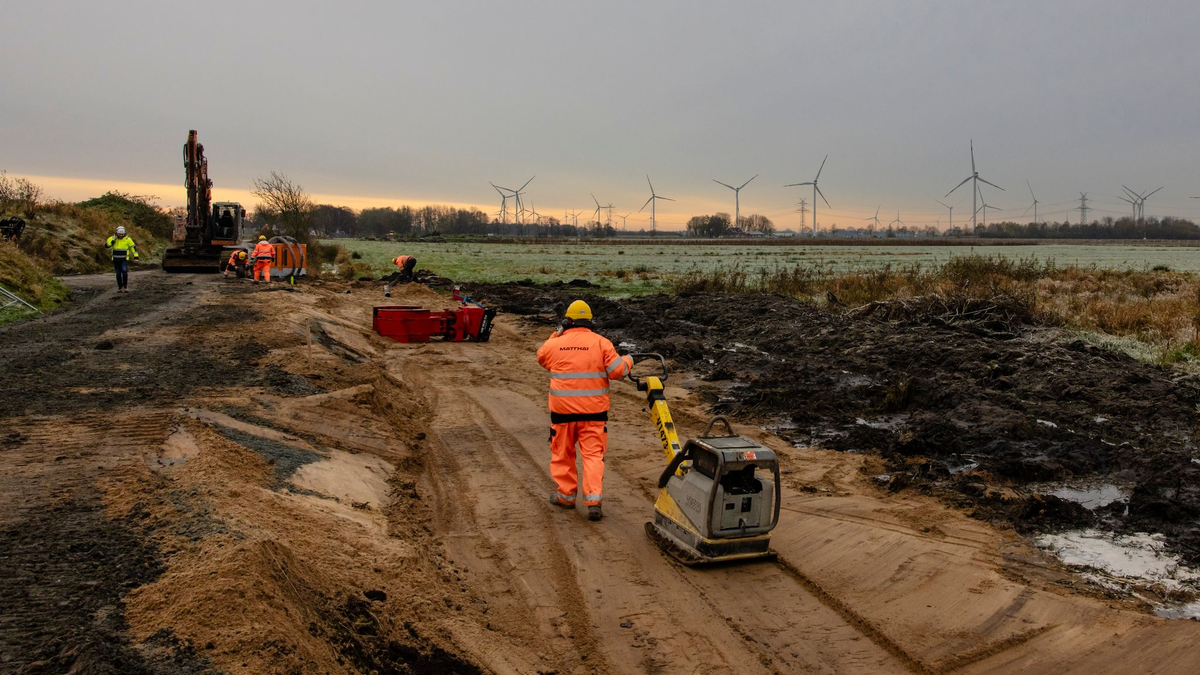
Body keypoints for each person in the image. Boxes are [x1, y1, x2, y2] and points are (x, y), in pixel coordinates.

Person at [536, 300, 632, 521]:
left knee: (562, 455)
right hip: (593, 416)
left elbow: (542, 357)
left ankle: (566, 497)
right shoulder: (601, 343)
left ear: (567, 321)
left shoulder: (555, 345)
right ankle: (593, 502)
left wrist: (556, 334)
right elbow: (618, 371)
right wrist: (629, 360)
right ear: (591, 321)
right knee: (592, 457)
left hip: (562, 416)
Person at [104, 226, 139, 292]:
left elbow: (133, 248)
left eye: (122, 234)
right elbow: (107, 246)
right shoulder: (112, 238)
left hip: (124, 258)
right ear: (117, 233)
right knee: (118, 273)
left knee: (124, 271)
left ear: (124, 233)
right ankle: (120, 287)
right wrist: (112, 241)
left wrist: (136, 257)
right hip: (116, 259)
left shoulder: (128, 239)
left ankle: (125, 286)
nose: (121, 235)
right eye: (119, 234)